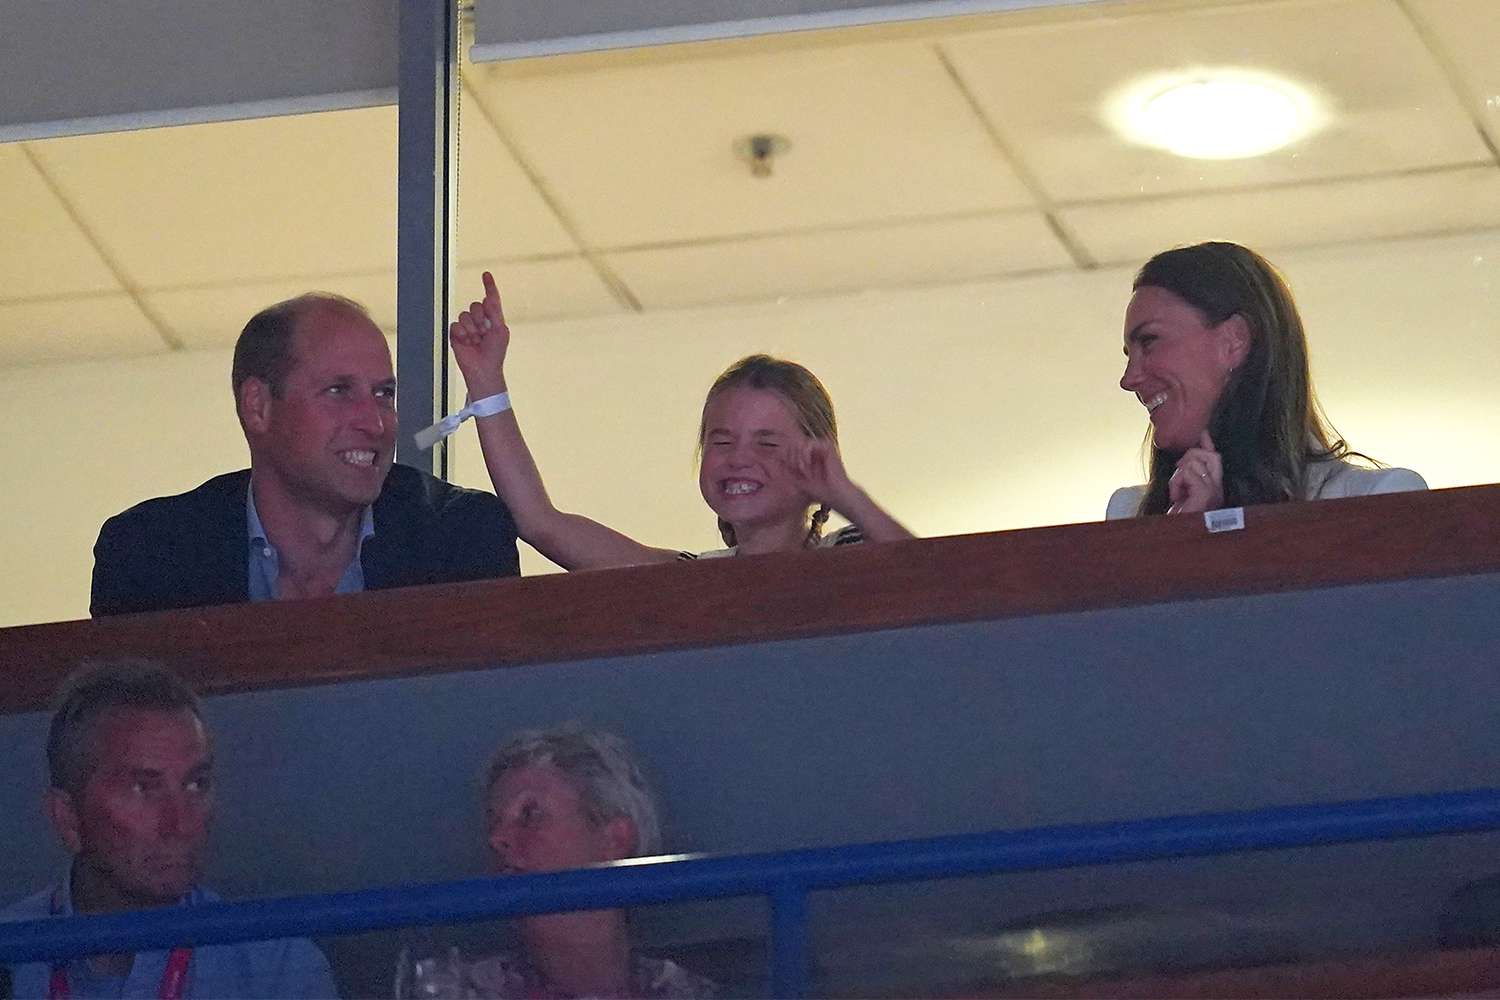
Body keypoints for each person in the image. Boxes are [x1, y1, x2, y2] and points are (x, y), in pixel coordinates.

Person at [91, 293, 520, 616]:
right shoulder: (150, 556)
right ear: (258, 406)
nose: (374, 423)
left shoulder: (459, 542)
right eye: (338, 391)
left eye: (383, 394)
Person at [443, 272, 911, 567]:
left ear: (817, 457)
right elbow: (541, 522)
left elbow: (938, 581)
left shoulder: (852, 554)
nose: (739, 460)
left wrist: (847, 496)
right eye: (721, 442)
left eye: (767, 443)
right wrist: (486, 383)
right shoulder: (687, 581)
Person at [0, 660, 337, 998]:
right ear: (68, 818)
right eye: (142, 788)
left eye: (195, 784)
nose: (180, 823)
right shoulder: (10, 954)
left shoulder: (278, 967)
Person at [1109, 241, 1425, 519]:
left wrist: (1210, 540)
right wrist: (1182, 536)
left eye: (1149, 341)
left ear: (1234, 341)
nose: (1129, 379)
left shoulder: (1376, 500)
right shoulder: (1128, 513)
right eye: (1128, 354)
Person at [431, 723, 713, 999]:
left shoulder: (685, 993)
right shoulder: (458, 991)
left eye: (530, 815)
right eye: (493, 823)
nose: (497, 838)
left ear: (614, 840)